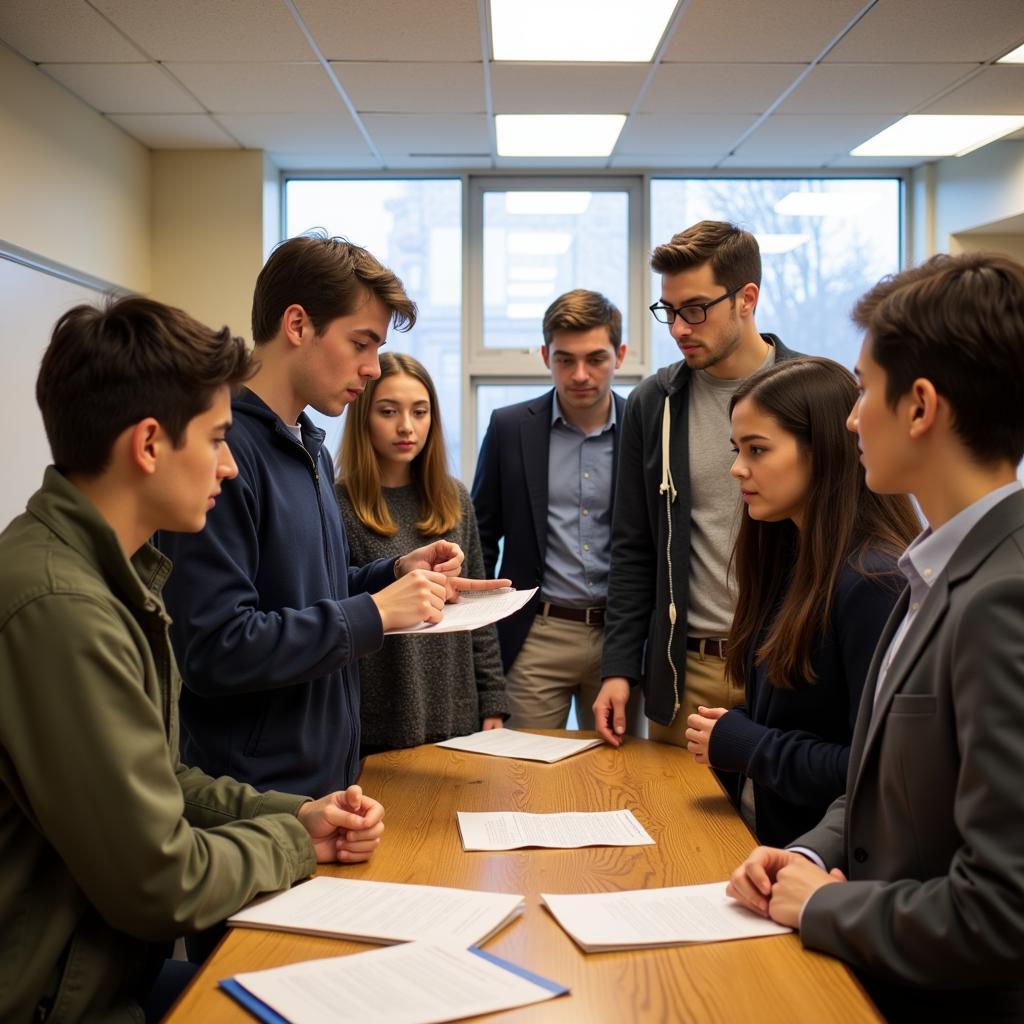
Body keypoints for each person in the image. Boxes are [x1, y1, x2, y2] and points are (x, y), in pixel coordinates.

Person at [0, 297, 386, 1023]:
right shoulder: (61, 609)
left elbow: (164, 780)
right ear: (149, 445)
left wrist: (299, 813)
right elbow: (162, 882)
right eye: (215, 439)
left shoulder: (114, 577)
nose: (231, 465)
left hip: (107, 977)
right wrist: (292, 843)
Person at [727, 252, 1024, 1022]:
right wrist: (806, 855)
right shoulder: (934, 572)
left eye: (863, 388)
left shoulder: (1003, 596)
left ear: (920, 406)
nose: (852, 416)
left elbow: (1002, 913)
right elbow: (882, 789)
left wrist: (822, 908)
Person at [158, 234, 507, 798]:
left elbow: (305, 592)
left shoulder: (309, 446)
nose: (372, 369)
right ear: (297, 325)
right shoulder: (223, 455)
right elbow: (214, 649)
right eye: (361, 343)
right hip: (254, 796)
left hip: (324, 783)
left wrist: (390, 575)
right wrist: (375, 611)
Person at [684, 357, 918, 848]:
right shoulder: (789, 557)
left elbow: (873, 773)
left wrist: (749, 744)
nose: (736, 468)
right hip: (771, 846)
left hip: (824, 869)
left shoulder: (874, 581)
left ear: (825, 452)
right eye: (737, 448)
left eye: (757, 449)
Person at [595, 221, 802, 748]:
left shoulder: (812, 395)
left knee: (783, 823)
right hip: (687, 670)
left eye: (695, 309)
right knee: (677, 826)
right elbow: (633, 545)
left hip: (790, 662)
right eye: (669, 311)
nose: (679, 328)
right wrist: (618, 667)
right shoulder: (654, 402)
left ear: (746, 299)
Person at [472, 288, 638, 731]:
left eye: (596, 359)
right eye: (565, 359)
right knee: (521, 774)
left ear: (620, 355)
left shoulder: (645, 429)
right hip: (536, 632)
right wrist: (482, 645)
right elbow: (481, 538)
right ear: (546, 355)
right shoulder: (509, 428)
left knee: (617, 776)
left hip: (620, 638)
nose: (580, 374)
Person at [336, 353, 508, 753]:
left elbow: (480, 610)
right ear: (363, 416)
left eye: (419, 411)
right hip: (377, 705)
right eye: (388, 411)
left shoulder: (454, 498)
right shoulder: (338, 502)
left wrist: (493, 698)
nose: (406, 427)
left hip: (453, 700)